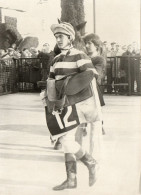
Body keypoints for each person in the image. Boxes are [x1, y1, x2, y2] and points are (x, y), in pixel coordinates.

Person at [45, 22, 102, 190]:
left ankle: (91, 162)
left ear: (70, 37)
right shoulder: (55, 59)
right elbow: (51, 81)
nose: (58, 40)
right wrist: (49, 99)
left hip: (75, 106)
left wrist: (68, 87)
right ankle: (71, 179)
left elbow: (90, 74)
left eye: (61, 36)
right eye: (56, 37)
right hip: (61, 105)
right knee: (65, 139)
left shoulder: (79, 55)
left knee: (65, 139)